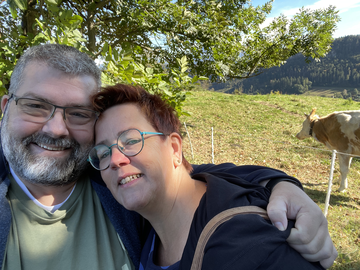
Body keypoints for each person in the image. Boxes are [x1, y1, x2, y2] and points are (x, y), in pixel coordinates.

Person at [0, 44, 336, 270]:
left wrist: (278, 183)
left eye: (77, 113)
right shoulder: (111, 178)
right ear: (5, 108)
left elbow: (180, 177)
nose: (57, 128)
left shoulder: (114, 193)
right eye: (35, 105)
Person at [88, 83, 329, 269]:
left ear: (174, 149)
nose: (115, 160)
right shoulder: (148, 227)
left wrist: (281, 183)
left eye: (131, 141)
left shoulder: (253, 248)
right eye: (102, 152)